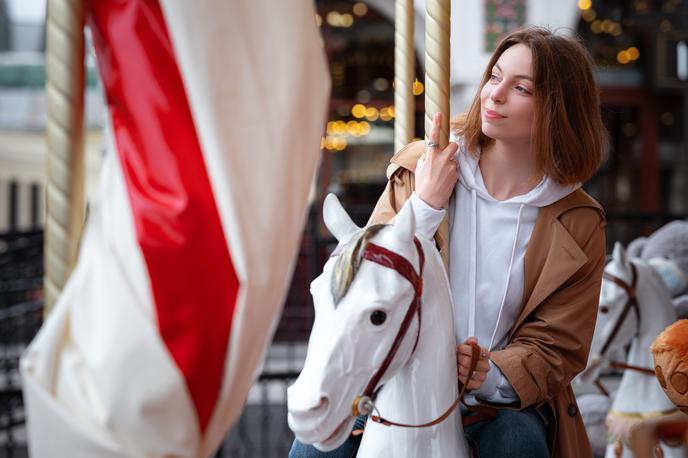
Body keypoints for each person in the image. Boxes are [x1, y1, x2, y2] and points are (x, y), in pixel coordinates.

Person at [290, 26, 607, 458]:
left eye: (521, 88)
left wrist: (492, 372)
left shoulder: (577, 220)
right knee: (313, 449)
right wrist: (425, 205)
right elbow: (367, 278)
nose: (494, 95)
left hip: (495, 404)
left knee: (518, 445)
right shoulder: (424, 166)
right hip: (393, 382)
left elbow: (561, 343)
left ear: (559, 108)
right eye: (494, 77)